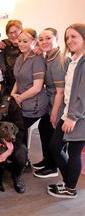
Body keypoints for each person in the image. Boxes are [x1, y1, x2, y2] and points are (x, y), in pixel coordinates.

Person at [47, 23, 85, 199]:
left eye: (74, 36)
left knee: (74, 152)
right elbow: (69, 91)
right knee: (55, 146)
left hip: (78, 117)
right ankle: (69, 181)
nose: (69, 40)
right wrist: (62, 113)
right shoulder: (73, 60)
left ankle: (70, 188)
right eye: (67, 37)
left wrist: (73, 117)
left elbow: (83, 94)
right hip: (68, 113)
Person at [11, 28, 49, 162]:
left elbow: (37, 87)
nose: (21, 44)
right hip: (20, 100)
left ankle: (21, 160)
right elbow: (18, 78)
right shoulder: (20, 57)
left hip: (34, 104)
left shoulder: (37, 59)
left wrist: (20, 98)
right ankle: (19, 158)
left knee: (18, 129)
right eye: (19, 41)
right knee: (15, 128)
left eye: (25, 41)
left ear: (33, 41)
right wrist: (13, 93)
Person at [33, 28, 65, 178]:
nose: (44, 41)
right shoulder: (49, 56)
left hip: (59, 102)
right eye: (41, 39)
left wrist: (54, 113)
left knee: (52, 134)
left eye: (48, 38)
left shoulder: (58, 60)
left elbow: (61, 91)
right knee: (43, 127)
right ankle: (47, 161)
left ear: (56, 39)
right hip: (51, 100)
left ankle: (52, 167)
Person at [0, 20, 23, 93]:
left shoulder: (29, 45)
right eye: (10, 33)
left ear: (21, 31)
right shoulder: (5, 44)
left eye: (15, 32)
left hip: (25, 86)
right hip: (9, 86)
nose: (13, 35)